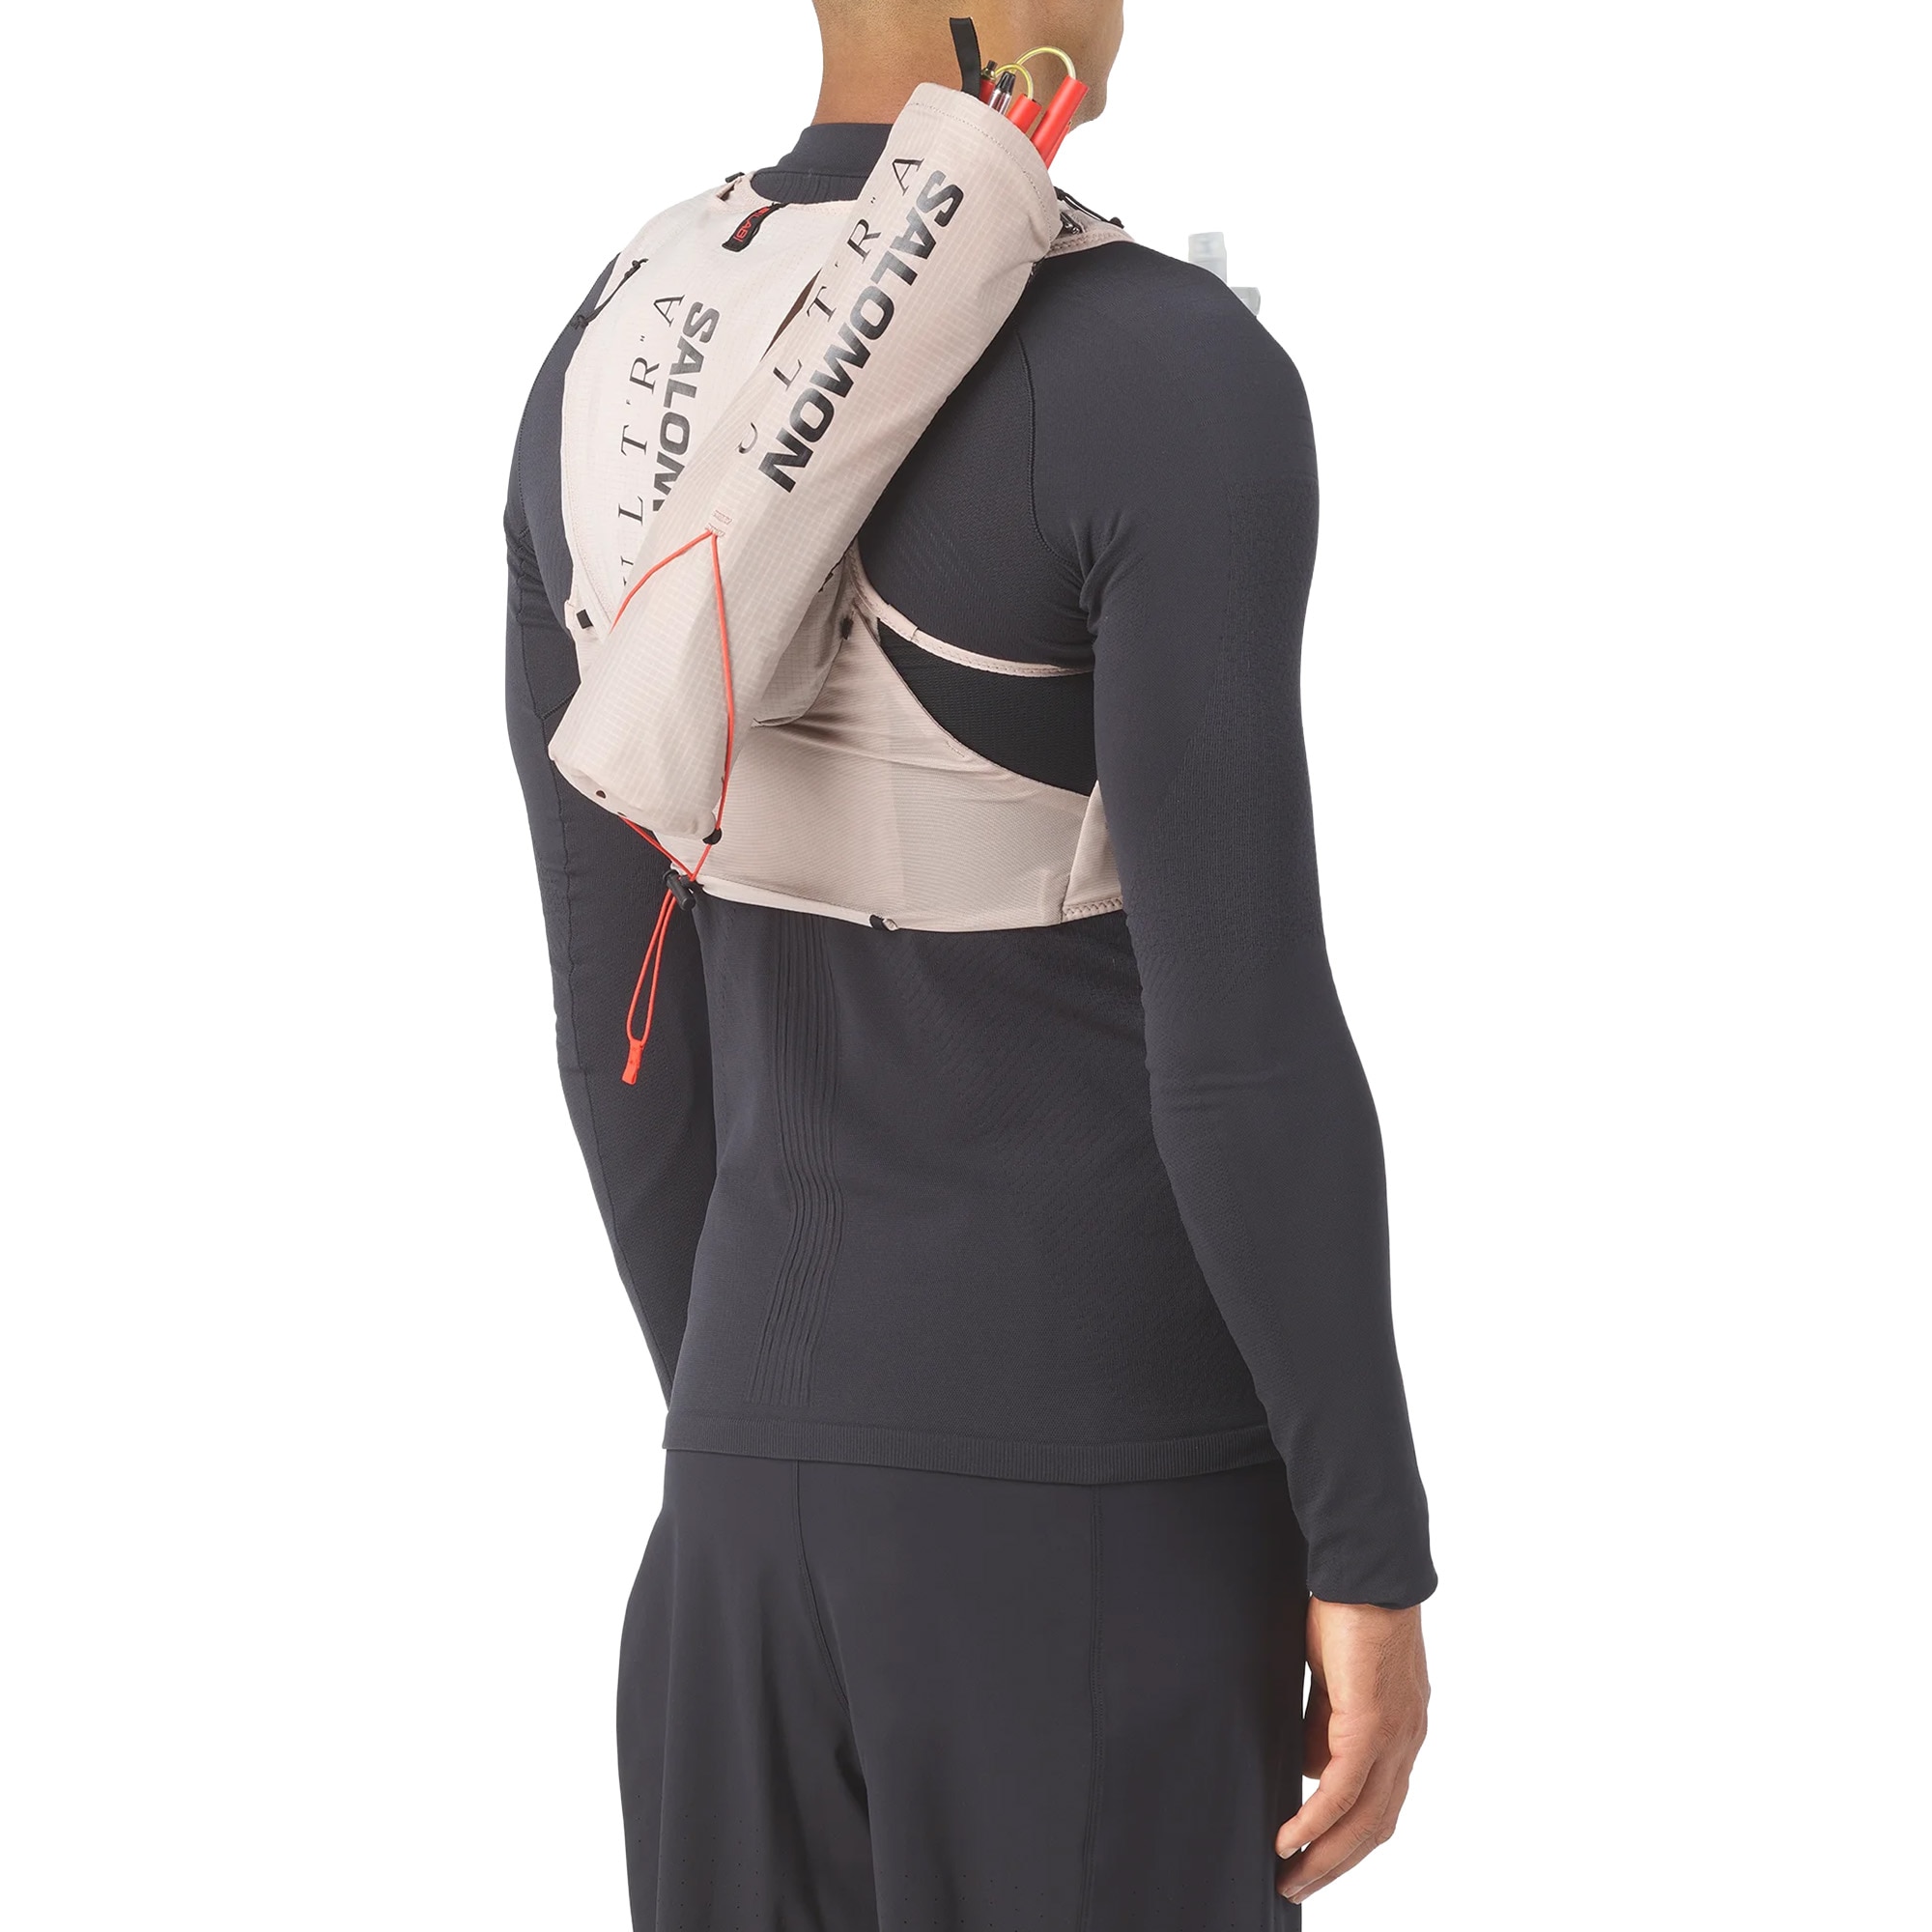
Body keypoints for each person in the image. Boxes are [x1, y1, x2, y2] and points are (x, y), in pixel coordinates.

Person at [504, 3, 1435, 1923]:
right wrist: (1368, 1549)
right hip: (1101, 1517)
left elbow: (621, 1032)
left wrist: (782, 1438)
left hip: (736, 1524)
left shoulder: (604, 357)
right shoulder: (1165, 370)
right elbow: (1243, 1041)